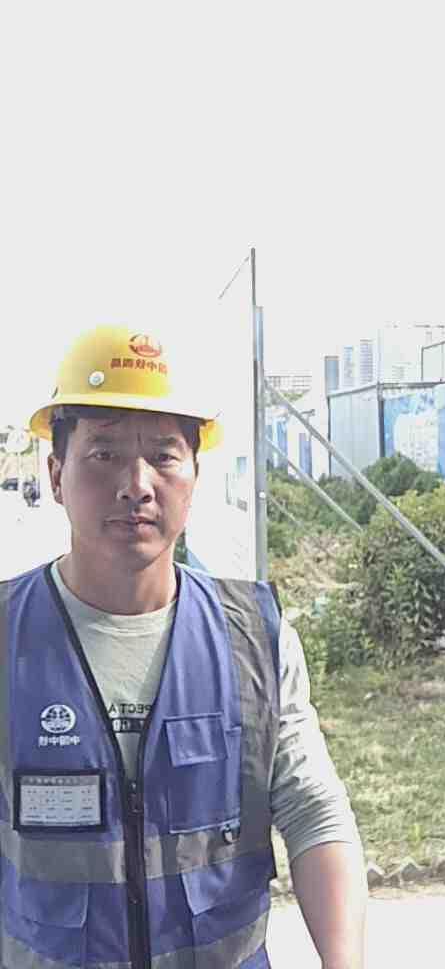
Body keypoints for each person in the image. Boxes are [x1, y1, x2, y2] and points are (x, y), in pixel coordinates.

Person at [0, 324, 366, 969]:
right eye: (103, 453)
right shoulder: (7, 633)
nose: (136, 484)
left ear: (194, 476)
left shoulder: (253, 636)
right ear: (56, 475)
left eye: (164, 456)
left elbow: (314, 812)